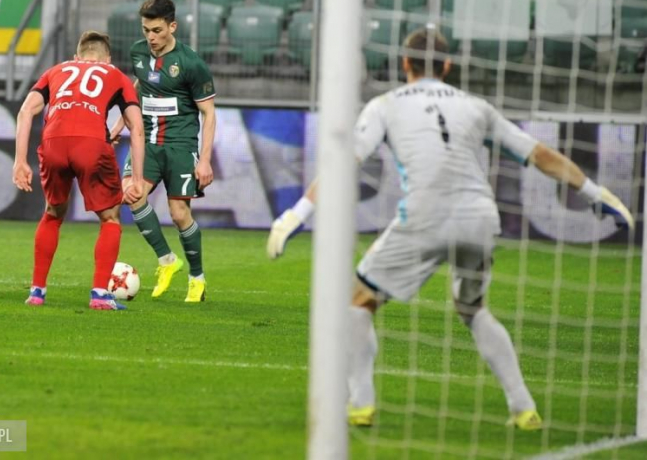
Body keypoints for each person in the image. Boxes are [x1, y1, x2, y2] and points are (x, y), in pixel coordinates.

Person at [267, 28, 634, 428]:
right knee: (473, 308)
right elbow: (541, 154)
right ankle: (523, 407)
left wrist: (296, 215)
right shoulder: (476, 106)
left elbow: (344, 163)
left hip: (426, 215)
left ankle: (361, 403)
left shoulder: (385, 105)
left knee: (358, 302)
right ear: (448, 66)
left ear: (404, 63)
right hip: (480, 217)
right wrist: (598, 194)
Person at [12, 30, 145, 311]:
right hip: (91, 145)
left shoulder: (56, 70)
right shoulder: (116, 75)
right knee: (110, 218)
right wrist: (137, 176)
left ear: (77, 57)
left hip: (53, 143)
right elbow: (137, 127)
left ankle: (37, 292)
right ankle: (99, 295)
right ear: (106, 59)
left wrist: (20, 160)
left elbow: (26, 111)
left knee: (52, 212)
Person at [109, 0, 216, 303]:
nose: (151, 38)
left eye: (156, 30)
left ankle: (197, 279)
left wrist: (205, 159)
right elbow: (140, 85)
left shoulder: (191, 63)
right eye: (146, 30)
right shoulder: (138, 52)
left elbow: (209, 112)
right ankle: (167, 260)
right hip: (147, 141)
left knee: (179, 213)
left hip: (180, 144)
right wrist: (119, 125)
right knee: (131, 192)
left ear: (172, 26)